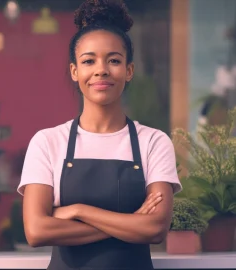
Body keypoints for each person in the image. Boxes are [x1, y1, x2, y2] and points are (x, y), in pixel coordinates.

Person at [17, 0, 182, 269]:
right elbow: (37, 231)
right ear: (75, 71)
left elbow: (154, 229)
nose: (101, 69)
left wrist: (79, 211)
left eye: (114, 60)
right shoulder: (48, 142)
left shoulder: (153, 142)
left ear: (129, 71)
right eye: (88, 60)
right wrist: (131, 222)